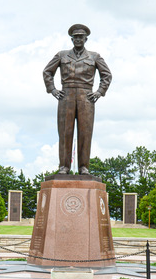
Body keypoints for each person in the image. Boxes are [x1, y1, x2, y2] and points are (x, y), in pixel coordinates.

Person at [43, 24, 112, 175]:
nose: (78, 39)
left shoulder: (95, 56)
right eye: (75, 37)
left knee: (85, 133)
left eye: (81, 37)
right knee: (65, 132)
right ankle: (64, 166)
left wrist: (100, 92)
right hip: (66, 96)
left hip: (86, 97)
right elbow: (47, 72)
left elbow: (107, 75)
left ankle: (83, 167)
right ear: (72, 39)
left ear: (86, 39)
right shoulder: (62, 55)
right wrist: (52, 89)